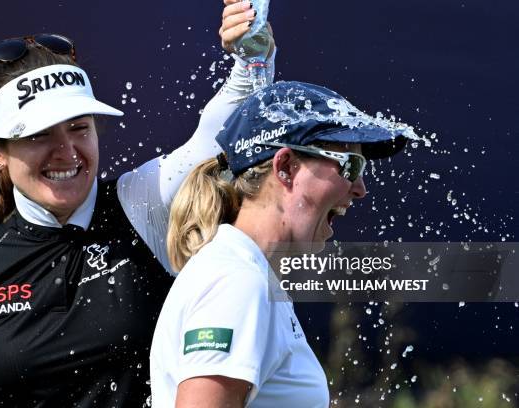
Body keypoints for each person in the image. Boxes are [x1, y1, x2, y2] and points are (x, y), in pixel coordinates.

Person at [0, 1, 276, 406]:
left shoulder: (141, 205)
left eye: (79, 127)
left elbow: (222, 133)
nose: (67, 152)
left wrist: (253, 53)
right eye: (39, 135)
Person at [150, 81, 417, 407]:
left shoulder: (244, 273)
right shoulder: (238, 282)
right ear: (286, 166)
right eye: (350, 166)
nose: (360, 188)